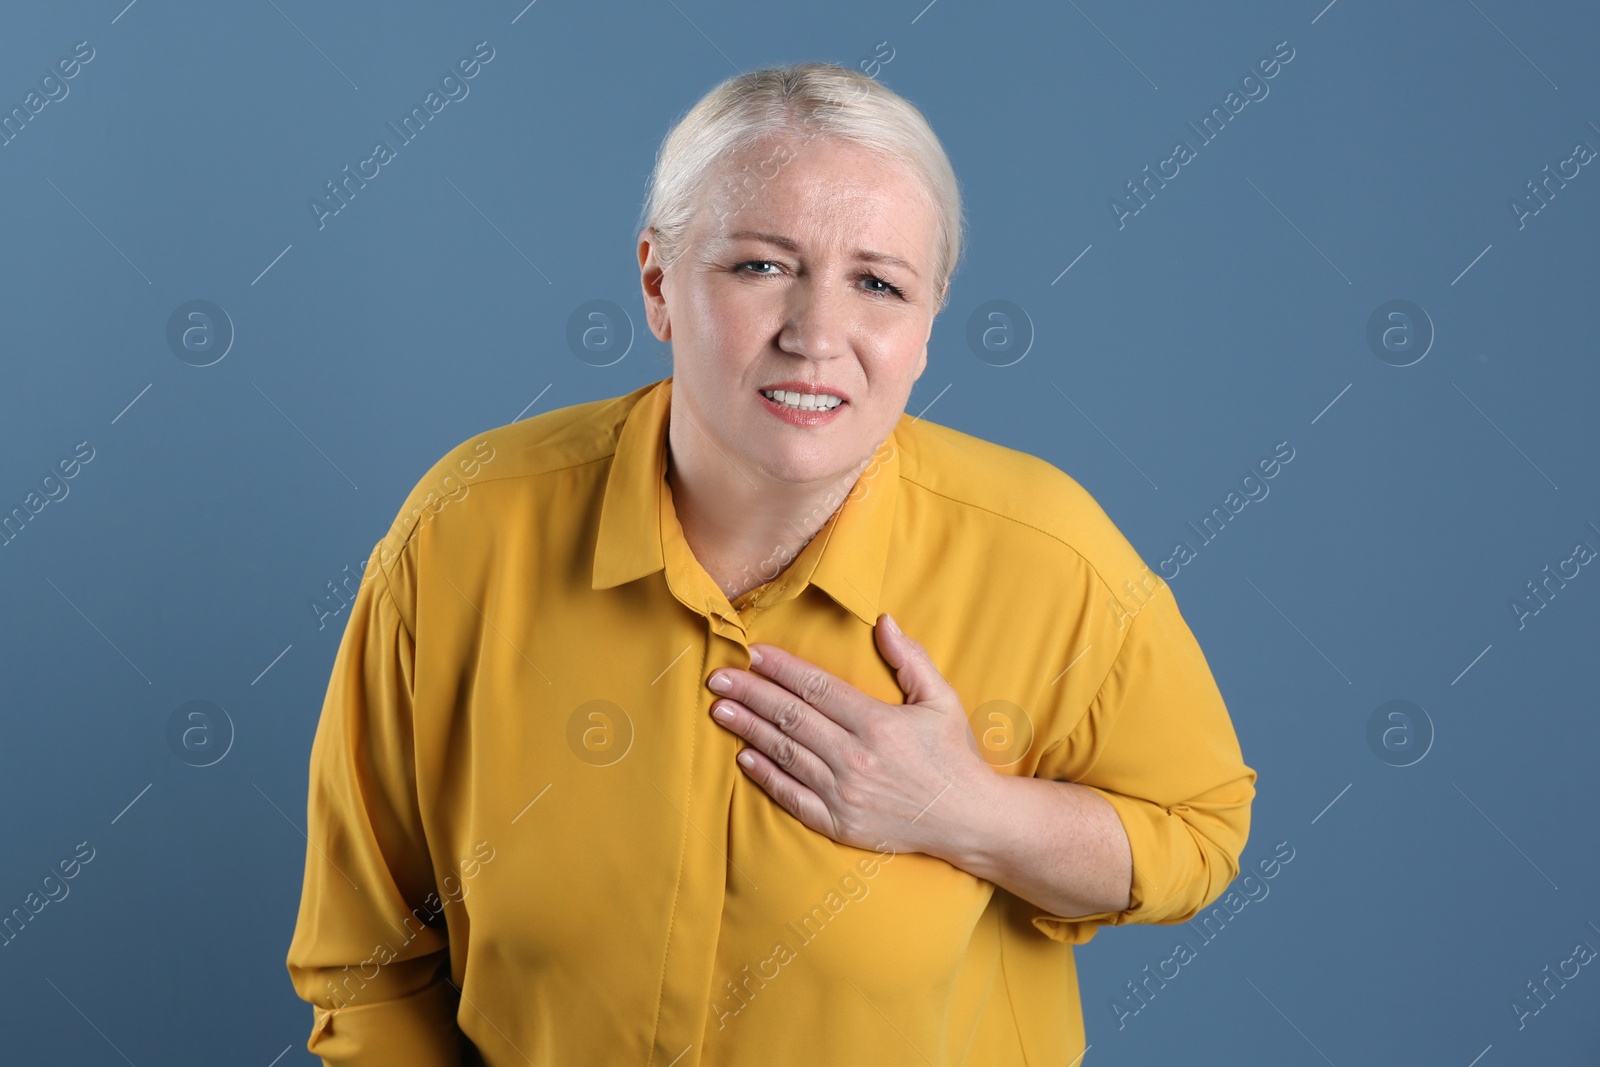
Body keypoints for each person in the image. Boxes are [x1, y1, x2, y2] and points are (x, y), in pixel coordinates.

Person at [285, 61, 1256, 1066]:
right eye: (761, 266)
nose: (815, 334)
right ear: (659, 283)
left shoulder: (1051, 556)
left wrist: (972, 812)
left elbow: (1199, 832)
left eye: (877, 283)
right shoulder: (464, 532)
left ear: (925, 328)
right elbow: (367, 963)